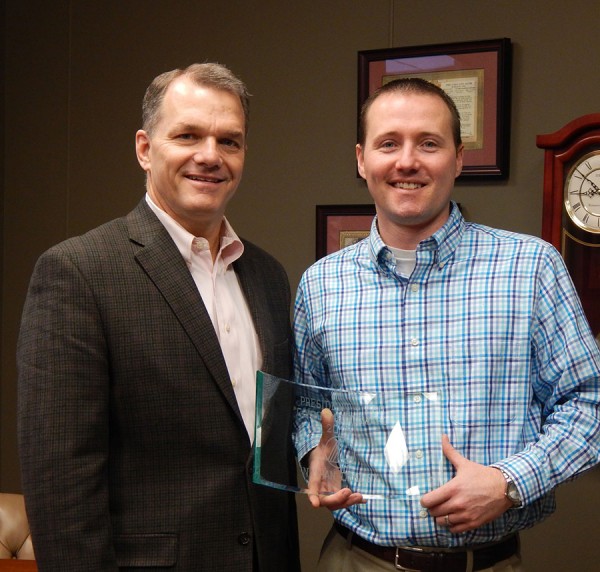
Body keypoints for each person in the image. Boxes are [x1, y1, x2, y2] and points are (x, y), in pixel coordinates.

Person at [293, 77, 600, 571]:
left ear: (458, 159)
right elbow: (309, 403)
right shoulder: (320, 285)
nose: (407, 161)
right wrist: (317, 451)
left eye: (429, 143)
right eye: (388, 143)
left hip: (486, 562)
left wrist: (510, 481)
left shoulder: (530, 267)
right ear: (361, 159)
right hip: (355, 558)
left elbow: (592, 403)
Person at [17, 63, 300, 572]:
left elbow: (263, 445)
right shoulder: (79, 272)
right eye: (188, 135)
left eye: (229, 141)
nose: (210, 156)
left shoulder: (267, 275)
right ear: (145, 149)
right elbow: (60, 483)